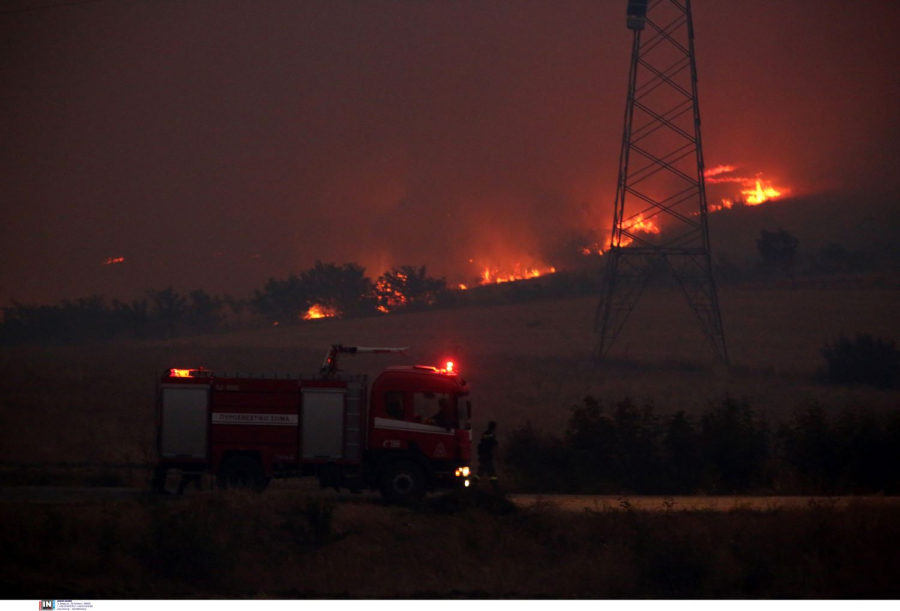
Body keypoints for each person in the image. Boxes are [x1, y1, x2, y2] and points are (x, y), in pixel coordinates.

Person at [476, 421, 499, 491]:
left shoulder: (484, 434)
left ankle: (473, 486)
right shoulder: (491, 436)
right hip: (487, 457)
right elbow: (493, 445)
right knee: (492, 474)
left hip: (483, 457)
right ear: (494, 427)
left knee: (480, 473)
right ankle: (496, 488)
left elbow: (480, 445)